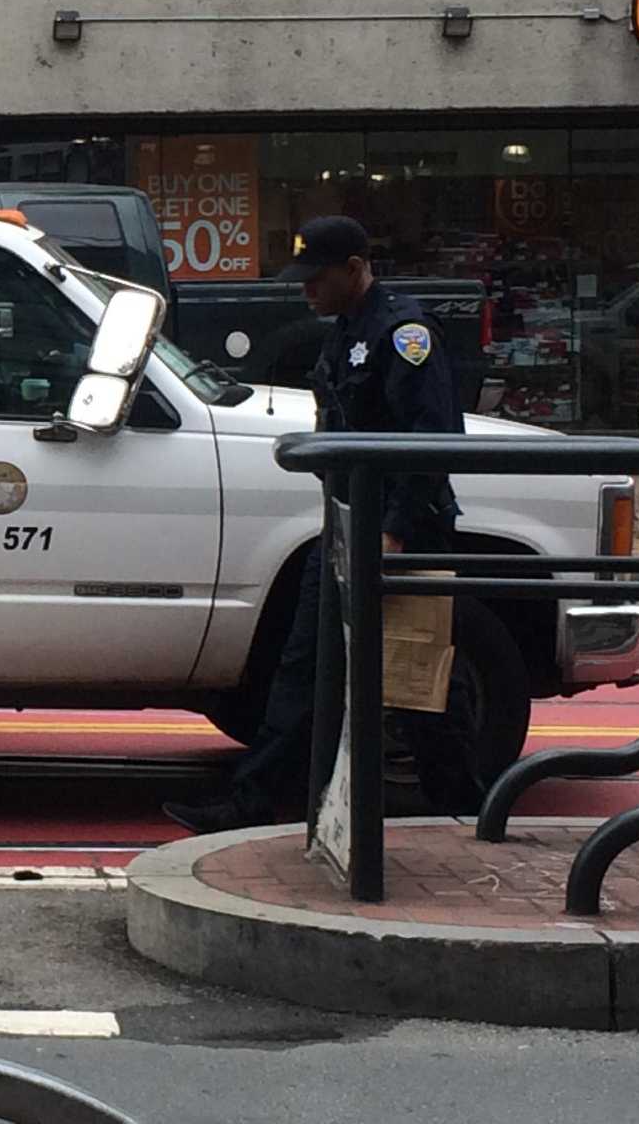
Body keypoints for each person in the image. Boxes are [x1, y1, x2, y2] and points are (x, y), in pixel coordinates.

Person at [165, 215, 463, 834]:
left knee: (413, 682)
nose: (306, 292)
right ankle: (251, 798)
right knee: (304, 664)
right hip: (346, 523)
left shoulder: (404, 334)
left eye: (316, 278)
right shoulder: (345, 330)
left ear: (355, 268)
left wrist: (396, 531)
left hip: (400, 533)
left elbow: (433, 442)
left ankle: (465, 801)